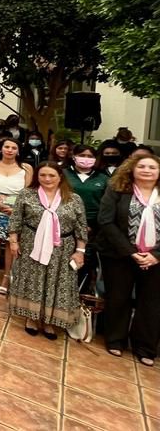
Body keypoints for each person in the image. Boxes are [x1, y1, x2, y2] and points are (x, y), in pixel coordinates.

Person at [7, 163, 88, 338]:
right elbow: (15, 219)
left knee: (56, 282)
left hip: (62, 248)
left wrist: (80, 251)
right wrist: (14, 241)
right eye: (43, 175)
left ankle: (50, 321)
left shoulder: (73, 199)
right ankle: (31, 317)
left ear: (60, 177)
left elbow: (81, 227)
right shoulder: (27, 194)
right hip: (31, 243)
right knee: (32, 279)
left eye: (51, 175)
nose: (47, 179)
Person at [96, 154, 160, 367]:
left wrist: (155, 255)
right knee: (118, 297)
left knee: (151, 303)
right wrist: (130, 251)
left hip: (155, 259)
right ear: (132, 169)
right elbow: (105, 221)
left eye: (152, 167)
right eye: (142, 166)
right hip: (119, 255)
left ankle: (145, 347)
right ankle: (115, 339)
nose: (147, 170)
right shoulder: (117, 190)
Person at [0, 138, 32, 294]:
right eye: (7, 147)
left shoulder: (27, 168)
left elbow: (29, 191)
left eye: (14, 147)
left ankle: (7, 276)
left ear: (18, 150)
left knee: (12, 241)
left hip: (17, 206)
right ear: (1, 148)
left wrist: (15, 209)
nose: (10, 150)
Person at [64, 145, 108, 287]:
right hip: (63, 224)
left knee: (83, 262)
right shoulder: (62, 174)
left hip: (92, 227)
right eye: (82, 155)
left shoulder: (103, 178)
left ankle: (78, 294)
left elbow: (106, 205)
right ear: (74, 156)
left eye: (90, 156)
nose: (86, 159)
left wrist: (92, 226)